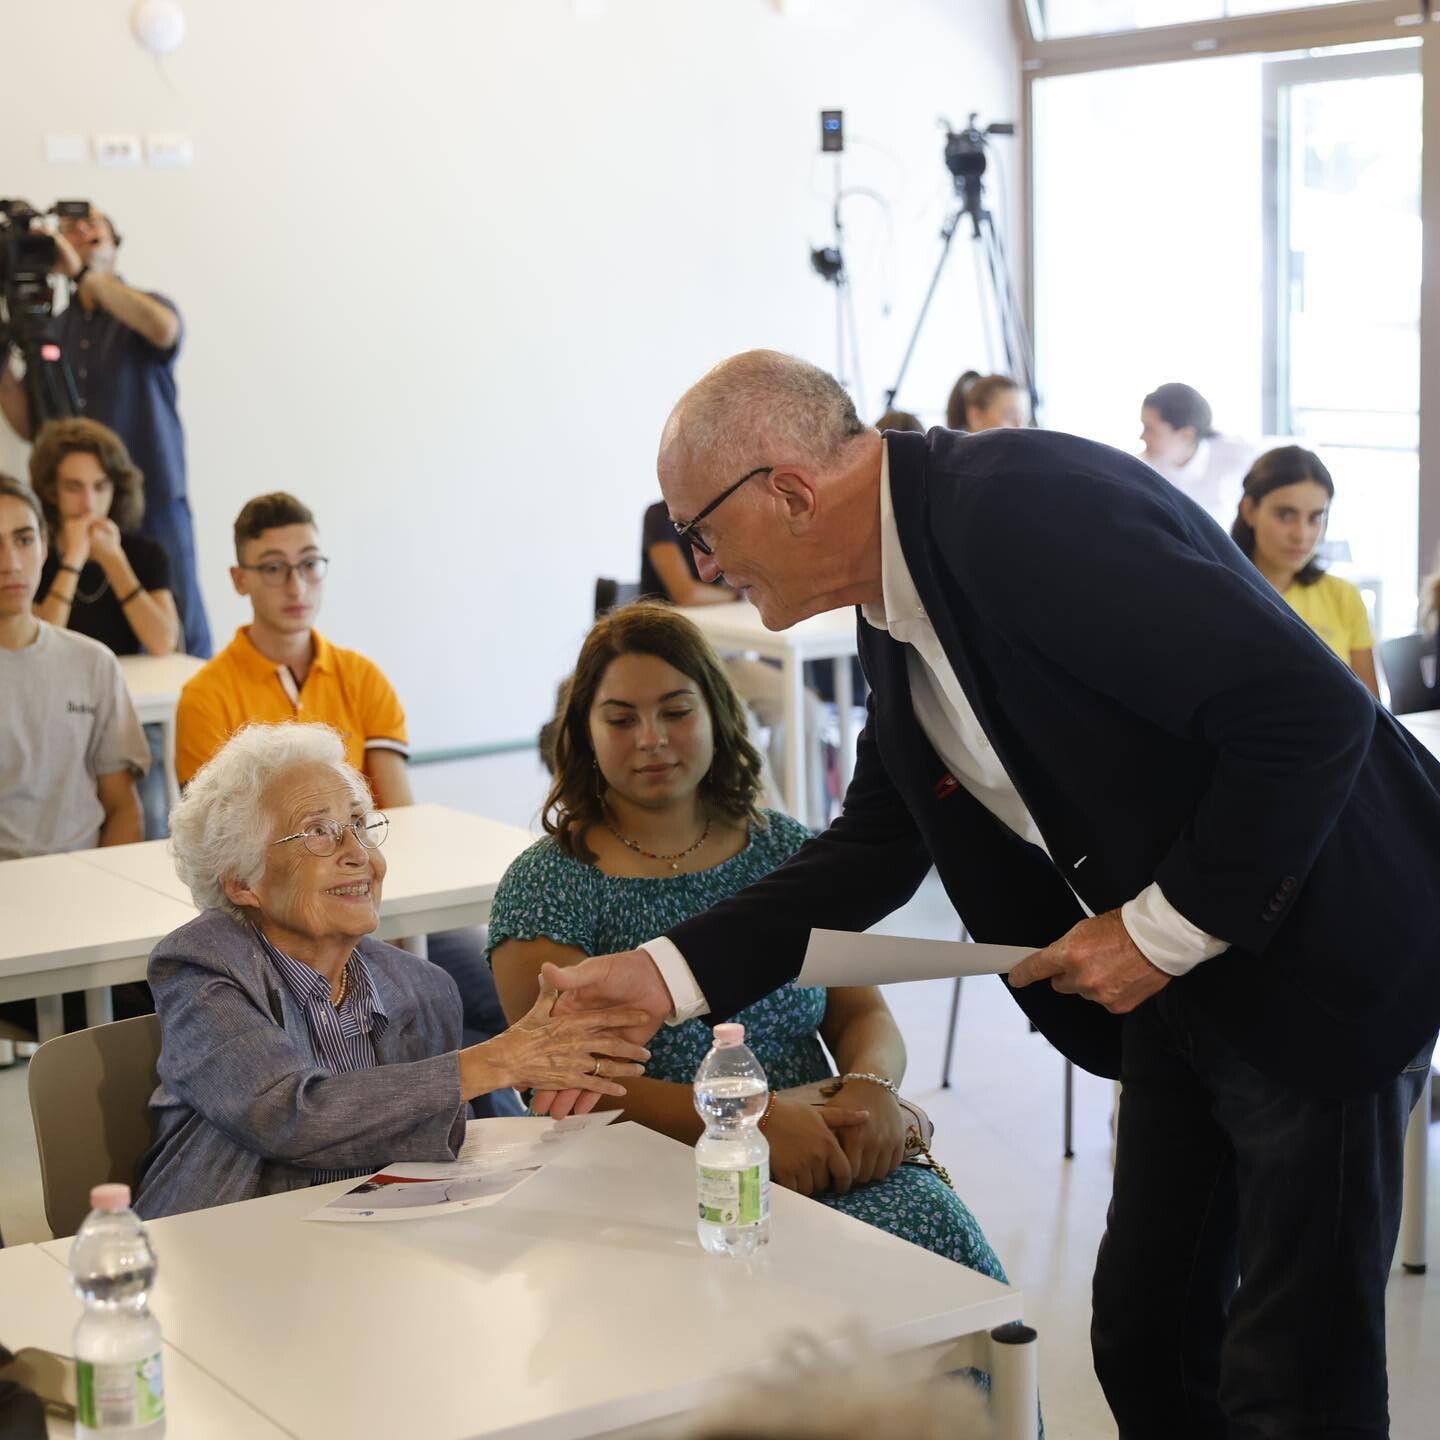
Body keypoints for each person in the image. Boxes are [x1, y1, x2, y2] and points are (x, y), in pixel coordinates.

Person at [540, 351, 1440, 1439]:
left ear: (790, 490)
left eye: (701, 530)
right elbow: (879, 844)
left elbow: (1309, 714)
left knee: (1294, 1378)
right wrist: (659, 977)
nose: (702, 562)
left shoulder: (1024, 514)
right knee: (1149, 1339)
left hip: (1316, 953)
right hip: (1182, 983)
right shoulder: (891, 594)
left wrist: (1156, 935)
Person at [489, 602, 1007, 1281]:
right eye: (620, 719)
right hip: (656, 1170)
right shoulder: (547, 885)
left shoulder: (789, 853)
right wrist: (747, 1126)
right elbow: (564, 1082)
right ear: (583, 733)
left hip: (826, 1144)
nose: (651, 739)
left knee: (934, 1231)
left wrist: (872, 1087)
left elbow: (862, 1012)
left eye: (677, 711)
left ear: (719, 713)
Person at [133, 721, 651, 1220]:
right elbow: (286, 1117)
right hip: (224, 1242)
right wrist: (498, 1061)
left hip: (374, 1244)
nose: (358, 855)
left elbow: (433, 1150)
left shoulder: (423, 988)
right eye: (319, 833)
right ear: (243, 883)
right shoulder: (203, 966)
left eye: (359, 826)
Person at [175, 491, 518, 1097]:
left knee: (483, 994)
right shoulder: (207, 694)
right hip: (286, 918)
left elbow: (400, 819)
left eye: (309, 564)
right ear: (239, 579)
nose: (295, 584)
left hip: (371, 901)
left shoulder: (361, 676)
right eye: (273, 567)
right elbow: (225, 845)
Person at [0, 206, 210, 656]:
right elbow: (30, 422)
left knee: (181, 635)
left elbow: (164, 329)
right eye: (70, 228)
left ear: (115, 245)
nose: (81, 230)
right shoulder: (55, 327)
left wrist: (83, 275)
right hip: (72, 508)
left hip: (153, 500)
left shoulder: (143, 306)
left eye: (93, 226)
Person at [0, 473, 148, 1058]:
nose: (10, 561)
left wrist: (103, 904)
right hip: (10, 916)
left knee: (189, 997)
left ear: (47, 546)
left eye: (24, 539)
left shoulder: (91, 663)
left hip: (88, 900)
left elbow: (121, 806)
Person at [639, 501, 826, 820]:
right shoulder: (659, 517)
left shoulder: (725, 513)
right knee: (736, 715)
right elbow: (686, 593)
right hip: (674, 661)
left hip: (725, 656)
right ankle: (768, 827)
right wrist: (740, 593)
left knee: (804, 706)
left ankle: (807, 825)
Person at [1231, 446, 1379, 699]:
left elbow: (1373, 710)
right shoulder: (1219, 593)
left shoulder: (1343, 597)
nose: (1301, 535)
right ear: (1249, 510)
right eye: (1285, 515)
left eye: (1315, 518)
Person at [29, 418, 179, 658]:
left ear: (115, 490)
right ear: (51, 492)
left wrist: (114, 561)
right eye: (73, 487)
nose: (89, 504)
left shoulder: (146, 553)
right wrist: (73, 560)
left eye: (100, 487)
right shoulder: (31, 554)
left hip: (125, 678)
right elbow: (39, 649)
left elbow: (163, 642)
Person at [1139, 381, 1254, 531]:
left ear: (1187, 435)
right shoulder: (1141, 468)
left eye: (1150, 429)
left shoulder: (1237, 455)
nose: (1142, 437)